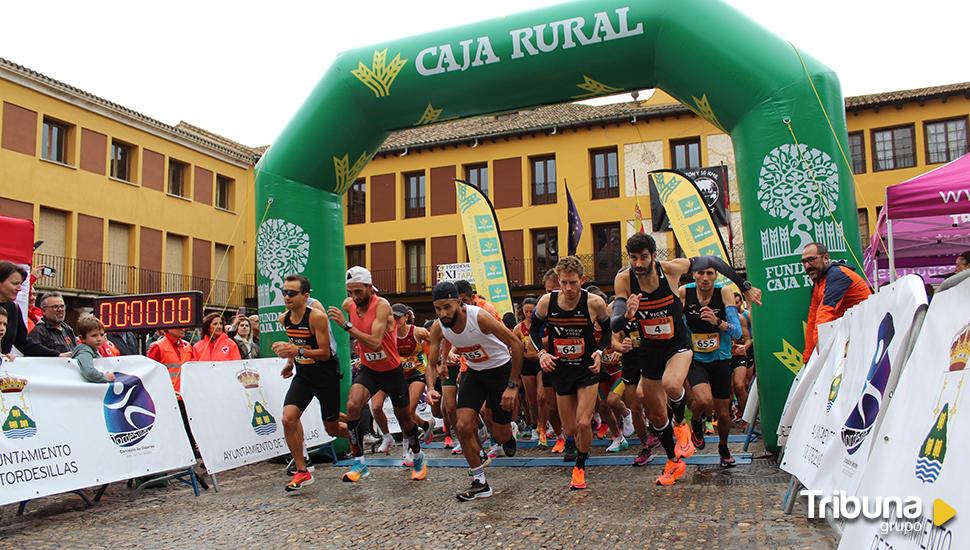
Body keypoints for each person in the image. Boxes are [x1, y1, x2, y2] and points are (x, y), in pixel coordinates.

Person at [611, 234, 761, 486]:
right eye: (634, 258)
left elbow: (712, 259)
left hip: (678, 347)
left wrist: (743, 285)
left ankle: (682, 422)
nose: (638, 264)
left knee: (671, 384)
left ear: (653, 256)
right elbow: (615, 321)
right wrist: (627, 314)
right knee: (657, 415)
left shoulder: (671, 270)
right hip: (649, 352)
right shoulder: (623, 280)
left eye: (644, 257)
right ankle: (673, 461)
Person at [327, 266, 427, 483]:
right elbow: (360, 335)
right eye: (350, 292)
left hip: (392, 371)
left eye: (358, 292)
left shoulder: (382, 306)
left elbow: (374, 342)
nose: (354, 297)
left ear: (369, 288)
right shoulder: (349, 304)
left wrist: (346, 325)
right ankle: (360, 463)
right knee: (353, 406)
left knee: (405, 419)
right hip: (369, 370)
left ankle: (418, 456)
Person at [425, 281, 523, 501]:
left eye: (447, 307)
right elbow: (431, 363)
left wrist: (513, 386)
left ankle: (508, 434)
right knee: (462, 424)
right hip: (475, 373)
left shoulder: (479, 317)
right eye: (438, 309)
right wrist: (430, 388)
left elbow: (516, 345)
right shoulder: (439, 327)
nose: (443, 313)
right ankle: (480, 482)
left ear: (459, 303)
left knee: (500, 433)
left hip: (500, 371)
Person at [531, 256, 612, 490]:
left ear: (582, 281)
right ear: (558, 281)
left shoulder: (594, 303)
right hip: (561, 369)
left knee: (584, 422)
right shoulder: (547, 302)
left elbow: (607, 331)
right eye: (564, 283)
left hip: (586, 368)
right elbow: (535, 332)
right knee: (571, 428)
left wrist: (598, 351)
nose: (568, 288)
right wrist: (542, 354)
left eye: (573, 283)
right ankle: (572, 444)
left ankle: (579, 467)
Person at [272, 274, 350, 493]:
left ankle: (355, 435)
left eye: (291, 293)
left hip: (325, 374)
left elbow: (325, 353)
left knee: (332, 426)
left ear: (305, 296)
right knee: (288, 419)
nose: (286, 297)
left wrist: (297, 351)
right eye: (284, 292)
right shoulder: (283, 319)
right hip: (303, 374)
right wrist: (290, 361)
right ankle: (302, 470)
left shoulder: (317, 317)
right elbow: (295, 342)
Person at [678, 267, 743, 466]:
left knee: (723, 413)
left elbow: (737, 332)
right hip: (696, 360)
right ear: (694, 275)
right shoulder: (684, 293)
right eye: (701, 273)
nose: (705, 278)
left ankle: (723, 447)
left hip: (721, 359)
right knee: (704, 401)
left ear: (716, 276)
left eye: (710, 274)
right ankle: (696, 421)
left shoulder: (723, 292)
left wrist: (718, 322)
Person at [370, 303, 435, 463]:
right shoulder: (385, 333)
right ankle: (389, 436)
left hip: (416, 374)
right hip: (393, 374)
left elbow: (436, 341)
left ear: (406, 317)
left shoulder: (418, 332)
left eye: (399, 317)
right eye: (393, 317)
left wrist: (438, 360)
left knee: (407, 412)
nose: (395, 320)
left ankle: (408, 448)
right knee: (376, 406)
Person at [801, 242, 871, 364]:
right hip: (851, 337)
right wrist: (807, 359)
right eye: (804, 262)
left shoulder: (837, 275)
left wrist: (820, 349)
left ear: (826, 258)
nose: (807, 266)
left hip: (864, 337)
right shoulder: (819, 282)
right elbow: (813, 318)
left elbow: (826, 313)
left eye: (811, 260)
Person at [0, 261, 61, 358]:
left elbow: (23, 342)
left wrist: (57, 355)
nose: (19, 288)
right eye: (15, 283)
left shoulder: (14, 308)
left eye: (20, 284)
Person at [514, 297, 541, 441]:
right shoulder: (518, 328)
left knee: (542, 396)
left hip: (541, 363)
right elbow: (514, 348)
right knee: (531, 399)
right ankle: (535, 423)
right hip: (526, 365)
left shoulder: (542, 325)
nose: (529, 314)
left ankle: (544, 423)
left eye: (532, 311)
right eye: (526, 312)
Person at [71, 316, 116, 383]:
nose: (99, 339)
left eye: (101, 335)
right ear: (82, 338)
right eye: (94, 335)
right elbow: (89, 372)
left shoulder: (93, 350)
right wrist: (104, 377)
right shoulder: (84, 351)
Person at [731, 293, 753, 424]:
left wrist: (744, 347)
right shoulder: (716, 318)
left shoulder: (742, 317)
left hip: (740, 354)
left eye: (737, 302)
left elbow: (748, 339)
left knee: (740, 384)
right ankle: (730, 414)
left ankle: (746, 417)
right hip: (723, 356)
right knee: (727, 389)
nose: (734, 306)